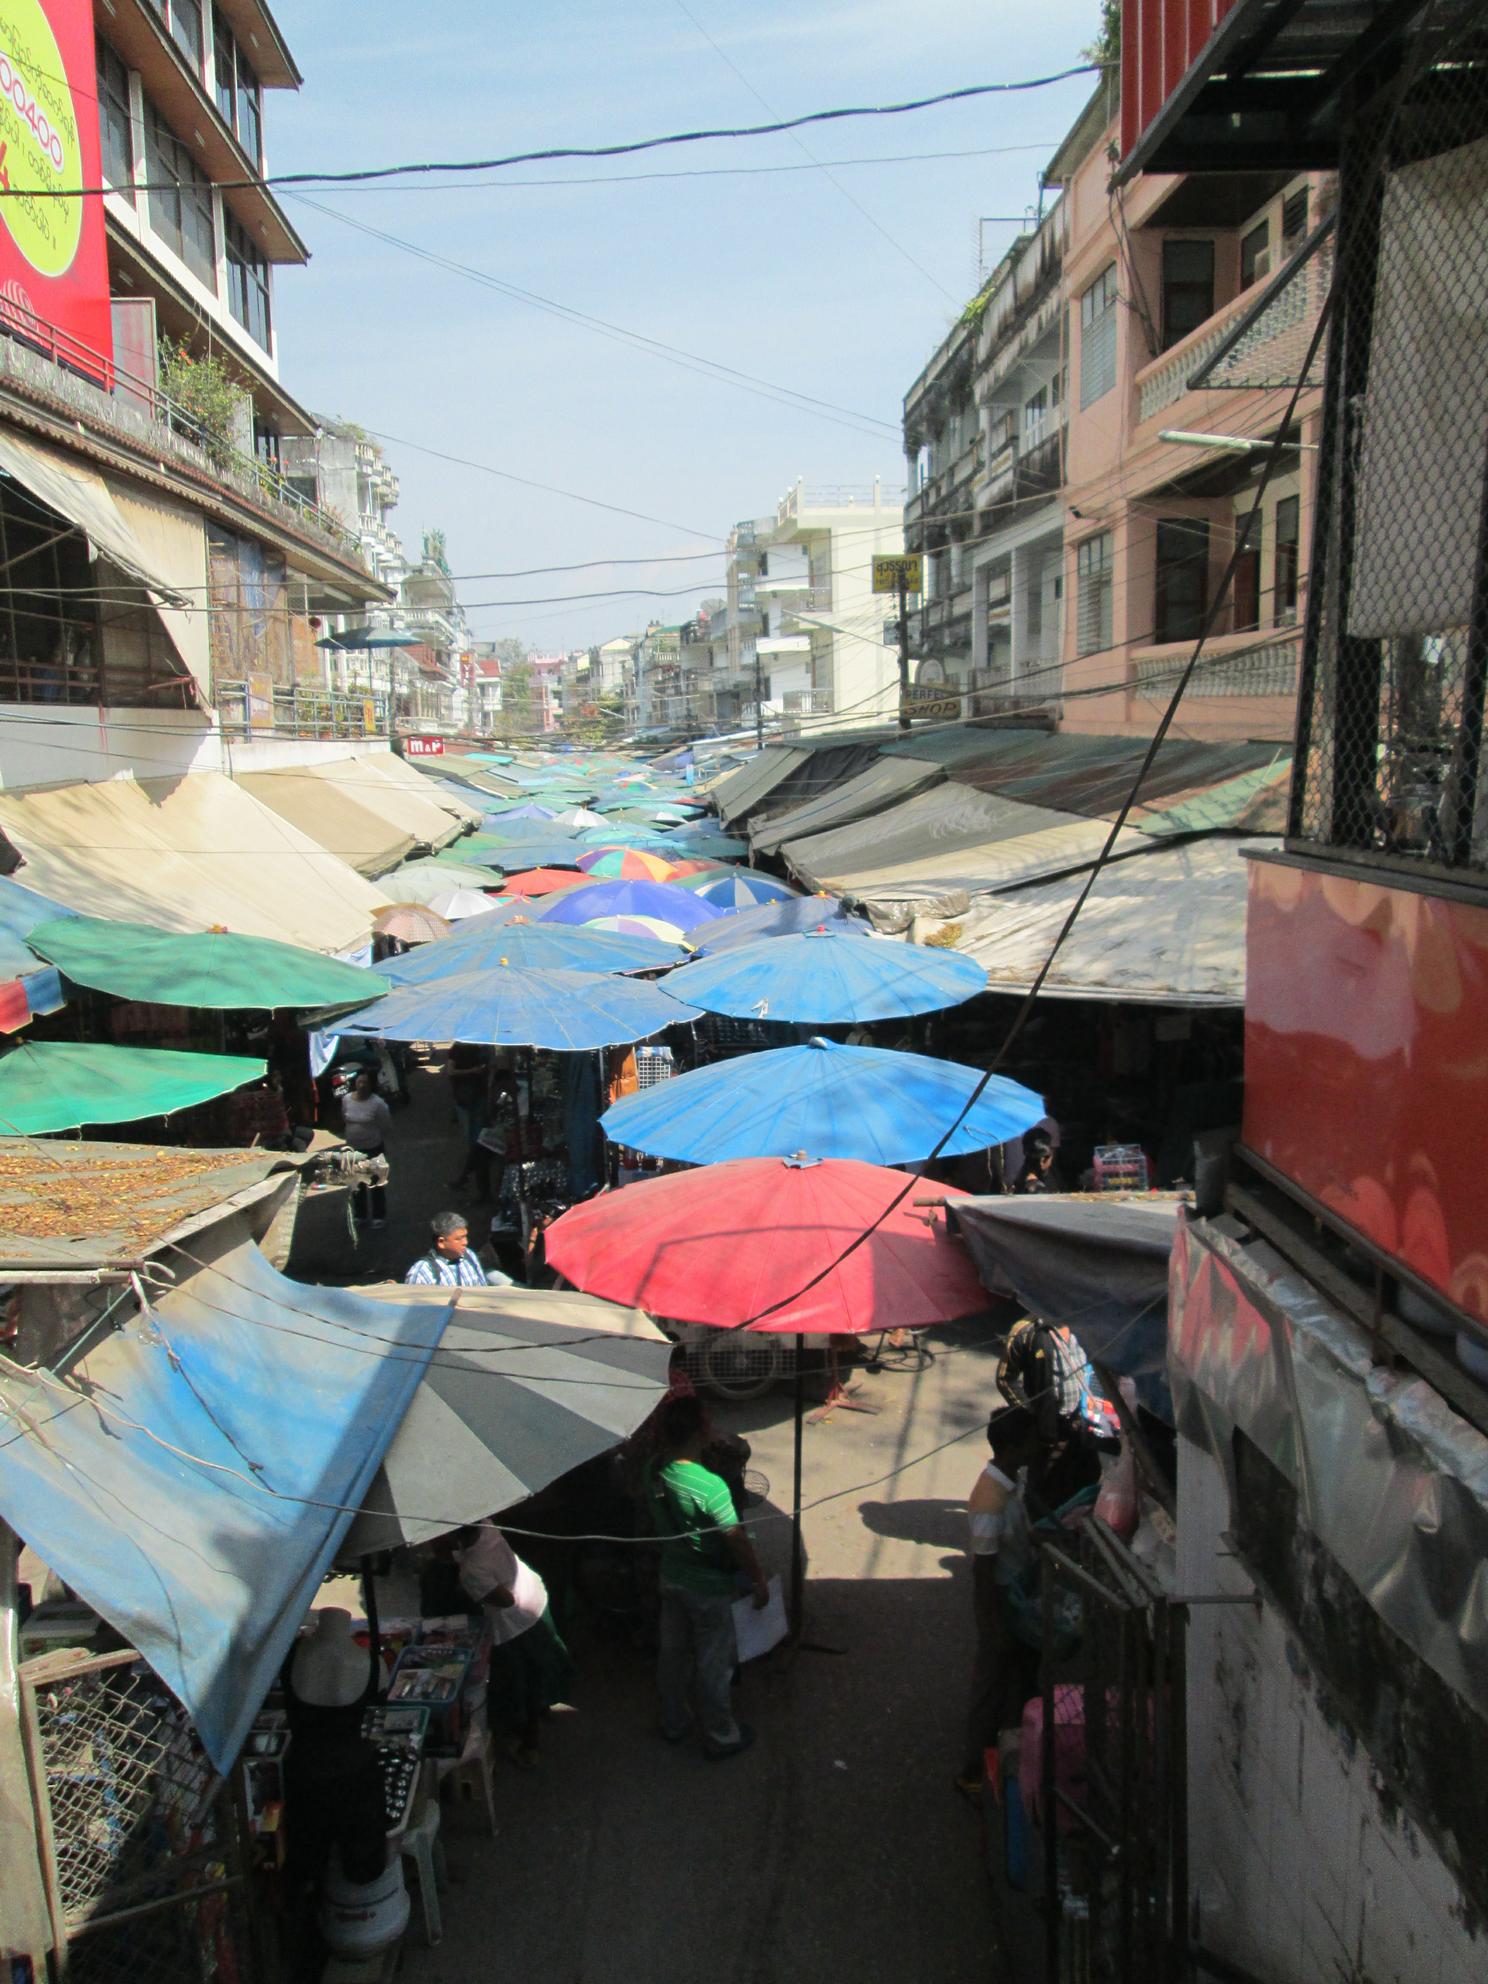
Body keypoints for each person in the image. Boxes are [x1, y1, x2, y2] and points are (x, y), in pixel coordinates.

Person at [642, 1393, 769, 1760]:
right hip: (708, 1586)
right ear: (700, 1432)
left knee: (672, 1654)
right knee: (714, 1663)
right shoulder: (710, 1487)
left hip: (671, 1575)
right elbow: (736, 1541)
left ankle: (674, 1721)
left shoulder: (654, 1468)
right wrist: (758, 1581)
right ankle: (720, 1734)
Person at [957, 1404, 1045, 1802]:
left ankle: (1021, 1751)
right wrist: (993, 1626)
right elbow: (982, 1572)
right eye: (1033, 1441)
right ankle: (972, 1769)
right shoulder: (989, 1501)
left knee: (1019, 1678)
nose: (1039, 1446)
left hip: (1016, 1599)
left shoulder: (1011, 1482)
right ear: (1014, 1447)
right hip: (1001, 1604)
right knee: (991, 1687)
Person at [454, 1523, 573, 1768]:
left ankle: (529, 1744)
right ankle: (545, 1705)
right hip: (535, 1596)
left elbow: (505, 1600)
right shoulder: (487, 1527)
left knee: (523, 1681)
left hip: (515, 1623)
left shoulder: (471, 1570)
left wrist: (470, 1588)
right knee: (543, 1664)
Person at [404, 1209, 512, 1288]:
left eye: (465, 1236)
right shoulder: (423, 1272)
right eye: (458, 1239)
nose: (465, 1242)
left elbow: (482, 1289)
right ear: (441, 1242)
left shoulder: (469, 1256)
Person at [341, 1069, 391, 1228]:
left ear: (371, 1085)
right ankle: (360, 1215)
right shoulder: (346, 1100)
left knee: (376, 1183)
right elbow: (344, 1118)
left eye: (365, 1082)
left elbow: (386, 1125)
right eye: (359, 1082)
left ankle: (378, 1216)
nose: (362, 1085)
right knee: (357, 1184)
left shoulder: (378, 1103)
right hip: (353, 1150)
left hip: (373, 1148)